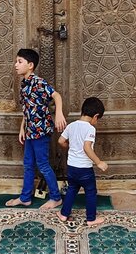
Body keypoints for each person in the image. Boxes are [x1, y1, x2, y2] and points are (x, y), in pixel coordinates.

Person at [6, 48, 67, 210]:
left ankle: (56, 197)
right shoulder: (24, 85)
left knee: (43, 165)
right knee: (28, 164)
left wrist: (59, 113)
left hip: (41, 131)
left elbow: (56, 96)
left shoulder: (38, 82)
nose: (16, 65)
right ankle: (25, 197)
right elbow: (27, 110)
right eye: (16, 61)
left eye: (20, 62)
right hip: (30, 132)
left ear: (30, 65)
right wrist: (22, 128)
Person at [57, 97, 108, 226]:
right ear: (95, 116)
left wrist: (70, 146)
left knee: (72, 189)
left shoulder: (71, 125)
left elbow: (60, 141)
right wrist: (99, 162)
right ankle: (91, 219)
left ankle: (63, 214)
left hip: (72, 168)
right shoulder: (90, 129)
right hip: (84, 169)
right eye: (98, 119)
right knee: (90, 192)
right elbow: (87, 147)